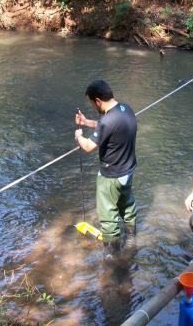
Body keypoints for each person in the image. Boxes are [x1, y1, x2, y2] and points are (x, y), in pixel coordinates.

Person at [74, 80, 138, 260]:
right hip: (128, 170)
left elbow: (88, 147)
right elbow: (108, 126)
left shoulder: (107, 120)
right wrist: (87, 122)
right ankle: (132, 240)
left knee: (108, 215)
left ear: (97, 101)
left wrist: (79, 136)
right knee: (127, 205)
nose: (93, 106)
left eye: (92, 104)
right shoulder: (126, 109)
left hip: (111, 176)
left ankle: (111, 255)